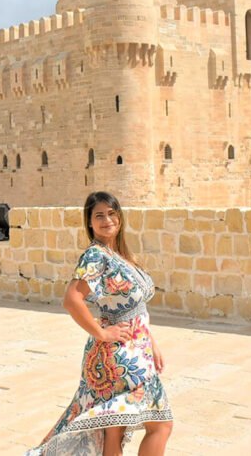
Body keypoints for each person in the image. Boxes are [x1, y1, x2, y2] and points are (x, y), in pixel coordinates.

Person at [27, 191, 173, 456]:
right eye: (99, 215)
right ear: (90, 223)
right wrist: (103, 333)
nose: (107, 220)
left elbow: (136, 308)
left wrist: (153, 344)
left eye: (112, 213)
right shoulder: (95, 256)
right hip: (118, 356)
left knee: (114, 431)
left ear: (120, 217)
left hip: (135, 351)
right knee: (157, 424)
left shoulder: (120, 255)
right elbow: (72, 299)